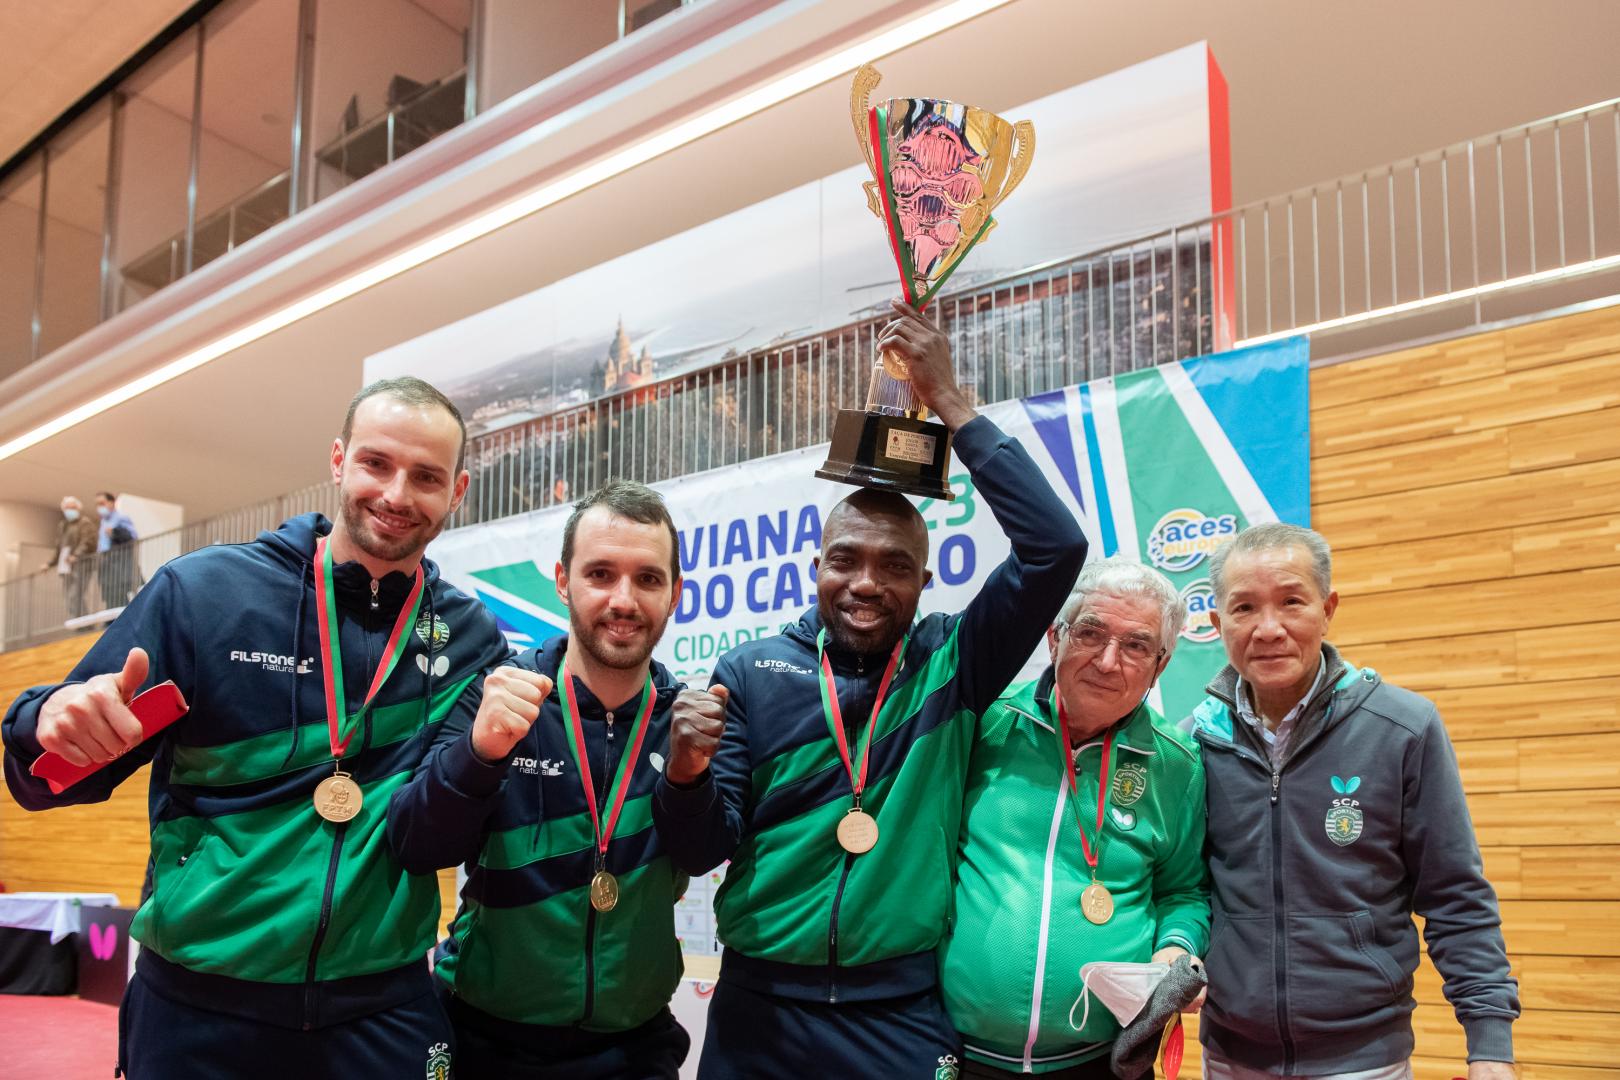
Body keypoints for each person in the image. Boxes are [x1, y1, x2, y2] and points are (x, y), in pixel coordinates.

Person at [2, 377, 510, 1079]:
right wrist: (44, 722)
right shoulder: (207, 593)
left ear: (456, 491)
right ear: (339, 461)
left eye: (426, 476)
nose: (397, 494)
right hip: (198, 1008)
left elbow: (444, 829)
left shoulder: (470, 636)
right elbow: (45, 780)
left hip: (382, 1008)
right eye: (376, 463)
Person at [654, 299, 1088, 1078]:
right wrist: (684, 775)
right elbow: (699, 848)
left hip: (898, 1014)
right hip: (759, 1010)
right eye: (845, 560)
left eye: (894, 567)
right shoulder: (751, 672)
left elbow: (1057, 546)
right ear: (814, 568)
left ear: (926, 580)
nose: (865, 582)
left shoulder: (954, 660)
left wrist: (949, 400)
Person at [1187, 523, 1518, 1080]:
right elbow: (1184, 890)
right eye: (1244, 608)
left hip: (1365, 1060)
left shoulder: (1404, 728)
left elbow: (1455, 895)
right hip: (1229, 1056)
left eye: (1292, 602)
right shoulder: (1193, 744)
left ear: (1328, 609)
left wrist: (1489, 1046)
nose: (1269, 628)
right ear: (1218, 624)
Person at [388, 479, 693, 1078]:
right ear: (562, 580)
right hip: (485, 1041)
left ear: (674, 593)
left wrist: (693, 780)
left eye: (648, 579)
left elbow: (708, 850)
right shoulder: (495, 696)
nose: (624, 600)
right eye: (600, 574)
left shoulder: (684, 723)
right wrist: (478, 754)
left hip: (635, 1048)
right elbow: (416, 844)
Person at [941, 557, 1208, 1078]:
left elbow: (1185, 890)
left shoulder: (1178, 764)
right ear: (1053, 638)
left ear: (1160, 665)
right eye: (1090, 633)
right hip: (960, 1054)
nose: (1108, 662)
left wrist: (1176, 947)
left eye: (1136, 646)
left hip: (1101, 1061)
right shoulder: (985, 722)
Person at [47, 495, 98, 618]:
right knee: (68, 598)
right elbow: (59, 546)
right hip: (66, 566)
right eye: (67, 508)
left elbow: (87, 542)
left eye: (72, 508)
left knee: (75, 595)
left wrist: (76, 555)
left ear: (78, 508)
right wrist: (49, 563)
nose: (69, 510)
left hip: (82, 564)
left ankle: (85, 624)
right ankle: (79, 622)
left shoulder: (85, 523)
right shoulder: (63, 525)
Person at [94, 491, 140, 609]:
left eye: (102, 503)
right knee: (111, 599)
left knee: (121, 598)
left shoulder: (121, 518)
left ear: (111, 503)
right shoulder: (103, 522)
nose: (99, 507)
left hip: (119, 566)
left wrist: (115, 532)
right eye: (97, 504)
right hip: (107, 566)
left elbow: (133, 537)